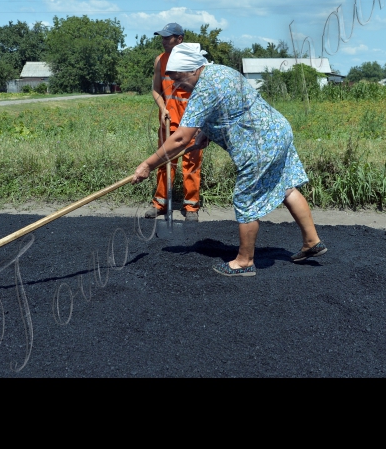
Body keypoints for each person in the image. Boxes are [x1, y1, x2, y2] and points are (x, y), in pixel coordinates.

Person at [132, 42, 327, 277]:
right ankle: (311, 241)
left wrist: (147, 165)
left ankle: (244, 262)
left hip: (258, 145)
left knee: (245, 200)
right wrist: (205, 134)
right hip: (277, 131)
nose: (174, 82)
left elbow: (179, 139)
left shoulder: (203, 88)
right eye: (170, 77)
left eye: (177, 76)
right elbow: (228, 107)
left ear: (193, 70)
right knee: (285, 186)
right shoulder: (221, 71)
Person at [144, 23, 204, 223]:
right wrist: (162, 109)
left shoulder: (192, 61)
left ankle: (191, 206)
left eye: (167, 37)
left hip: (191, 123)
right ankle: (159, 204)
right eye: (161, 37)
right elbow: (155, 89)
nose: (163, 41)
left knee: (192, 164)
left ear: (179, 39)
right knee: (164, 161)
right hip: (168, 122)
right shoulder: (160, 60)